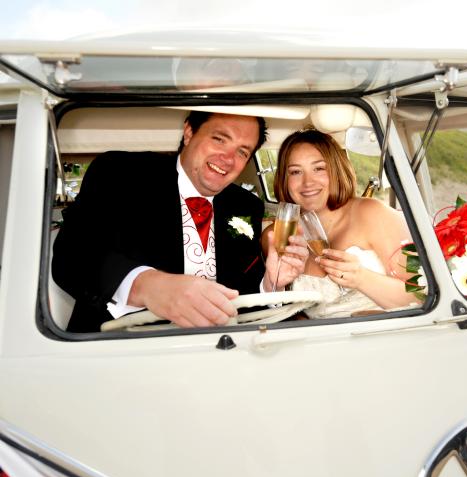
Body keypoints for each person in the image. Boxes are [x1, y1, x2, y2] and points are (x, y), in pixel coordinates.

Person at [52, 111, 308, 332]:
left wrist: (271, 282)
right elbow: (72, 256)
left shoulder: (245, 205)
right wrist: (148, 286)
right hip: (120, 346)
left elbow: (242, 295)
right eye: (219, 139)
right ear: (189, 132)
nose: (228, 159)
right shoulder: (120, 172)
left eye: (242, 152)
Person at [263, 128, 418, 319]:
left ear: (336, 170)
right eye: (295, 172)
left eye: (319, 168)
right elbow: (285, 309)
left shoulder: (372, 213)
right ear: (284, 180)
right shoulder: (279, 234)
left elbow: (422, 297)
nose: (307, 182)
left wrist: (362, 279)